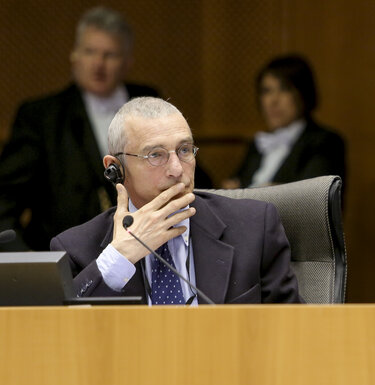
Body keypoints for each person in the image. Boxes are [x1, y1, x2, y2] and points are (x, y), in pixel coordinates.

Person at [50, 97, 301, 305]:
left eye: (184, 150)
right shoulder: (76, 249)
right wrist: (119, 258)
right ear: (115, 168)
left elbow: (295, 331)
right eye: (155, 155)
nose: (176, 169)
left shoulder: (254, 227)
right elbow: (60, 337)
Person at [0, 7, 211, 251]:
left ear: (127, 62)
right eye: (90, 52)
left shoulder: (151, 100)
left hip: (149, 248)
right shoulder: (41, 116)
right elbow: (5, 200)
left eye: (109, 55)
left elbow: (190, 175)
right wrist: (30, 266)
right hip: (65, 255)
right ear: (74, 55)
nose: (98, 64)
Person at [223, 54, 346, 189]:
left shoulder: (325, 142)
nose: (273, 100)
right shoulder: (258, 144)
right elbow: (234, 184)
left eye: (284, 89)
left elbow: (314, 197)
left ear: (303, 93)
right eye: (266, 91)